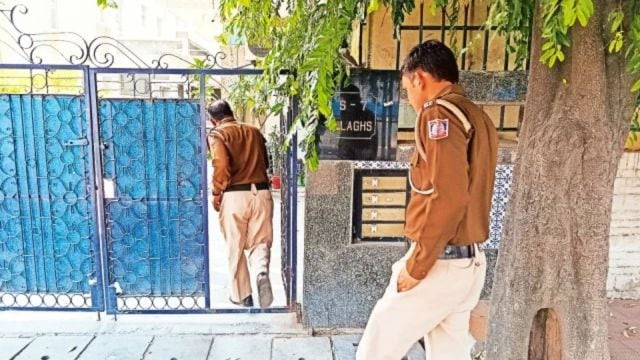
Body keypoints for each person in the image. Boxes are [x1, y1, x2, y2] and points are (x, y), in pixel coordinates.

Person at [356, 40, 498, 359]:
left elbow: (446, 196)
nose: (410, 98)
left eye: (408, 89)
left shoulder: (439, 113)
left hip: (440, 264)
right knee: (449, 353)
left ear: (420, 78)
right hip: (468, 261)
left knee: (375, 348)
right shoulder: (478, 116)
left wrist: (418, 265)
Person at [207, 100, 274, 308]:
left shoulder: (218, 134)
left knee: (235, 245)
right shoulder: (254, 131)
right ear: (232, 112)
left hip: (235, 195)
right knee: (260, 241)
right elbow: (267, 161)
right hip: (261, 192)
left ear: (213, 120)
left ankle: (242, 296)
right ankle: (261, 271)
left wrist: (217, 192)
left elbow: (221, 165)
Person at [337, 84, 378, 160]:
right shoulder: (346, 114)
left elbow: (372, 147)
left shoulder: (368, 116)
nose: (346, 104)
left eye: (348, 100)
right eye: (345, 100)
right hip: (347, 157)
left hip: (363, 159)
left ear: (357, 99)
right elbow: (344, 139)